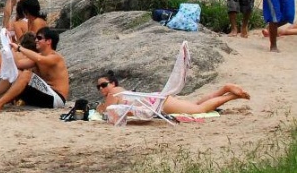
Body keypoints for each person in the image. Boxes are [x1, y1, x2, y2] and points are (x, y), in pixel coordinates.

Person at [0, 27, 69, 113]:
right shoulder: (39, 57)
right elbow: (18, 63)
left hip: (56, 99)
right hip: (42, 95)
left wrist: (19, 48)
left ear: (49, 41)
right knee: (14, 73)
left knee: (26, 74)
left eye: (39, 38)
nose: (36, 41)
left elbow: (39, 58)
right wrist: (10, 45)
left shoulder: (56, 57)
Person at [96, 71, 249, 115]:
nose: (102, 89)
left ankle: (230, 95)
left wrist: (99, 108)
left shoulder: (114, 92)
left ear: (113, 83)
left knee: (198, 110)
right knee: (194, 105)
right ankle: (224, 90)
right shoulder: (119, 92)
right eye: (99, 87)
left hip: (157, 103)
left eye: (104, 85)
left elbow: (108, 112)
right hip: (156, 100)